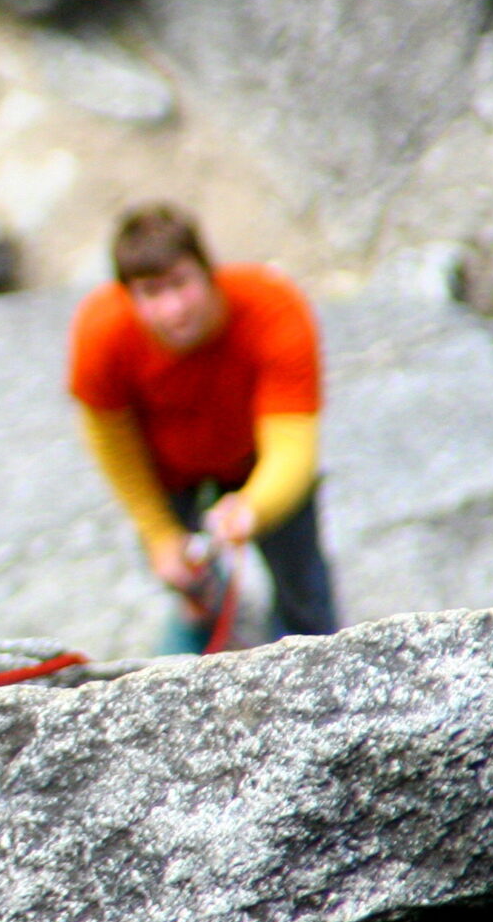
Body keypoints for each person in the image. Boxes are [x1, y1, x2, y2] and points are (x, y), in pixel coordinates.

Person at [69, 203, 340, 653]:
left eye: (180, 283)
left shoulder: (274, 308)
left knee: (303, 589)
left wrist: (254, 507)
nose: (173, 308)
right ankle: (197, 631)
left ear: (208, 272)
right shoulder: (101, 334)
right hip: (167, 470)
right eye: (152, 292)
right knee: (186, 584)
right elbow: (112, 443)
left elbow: (292, 445)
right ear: (127, 296)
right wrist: (159, 535)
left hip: (258, 461)